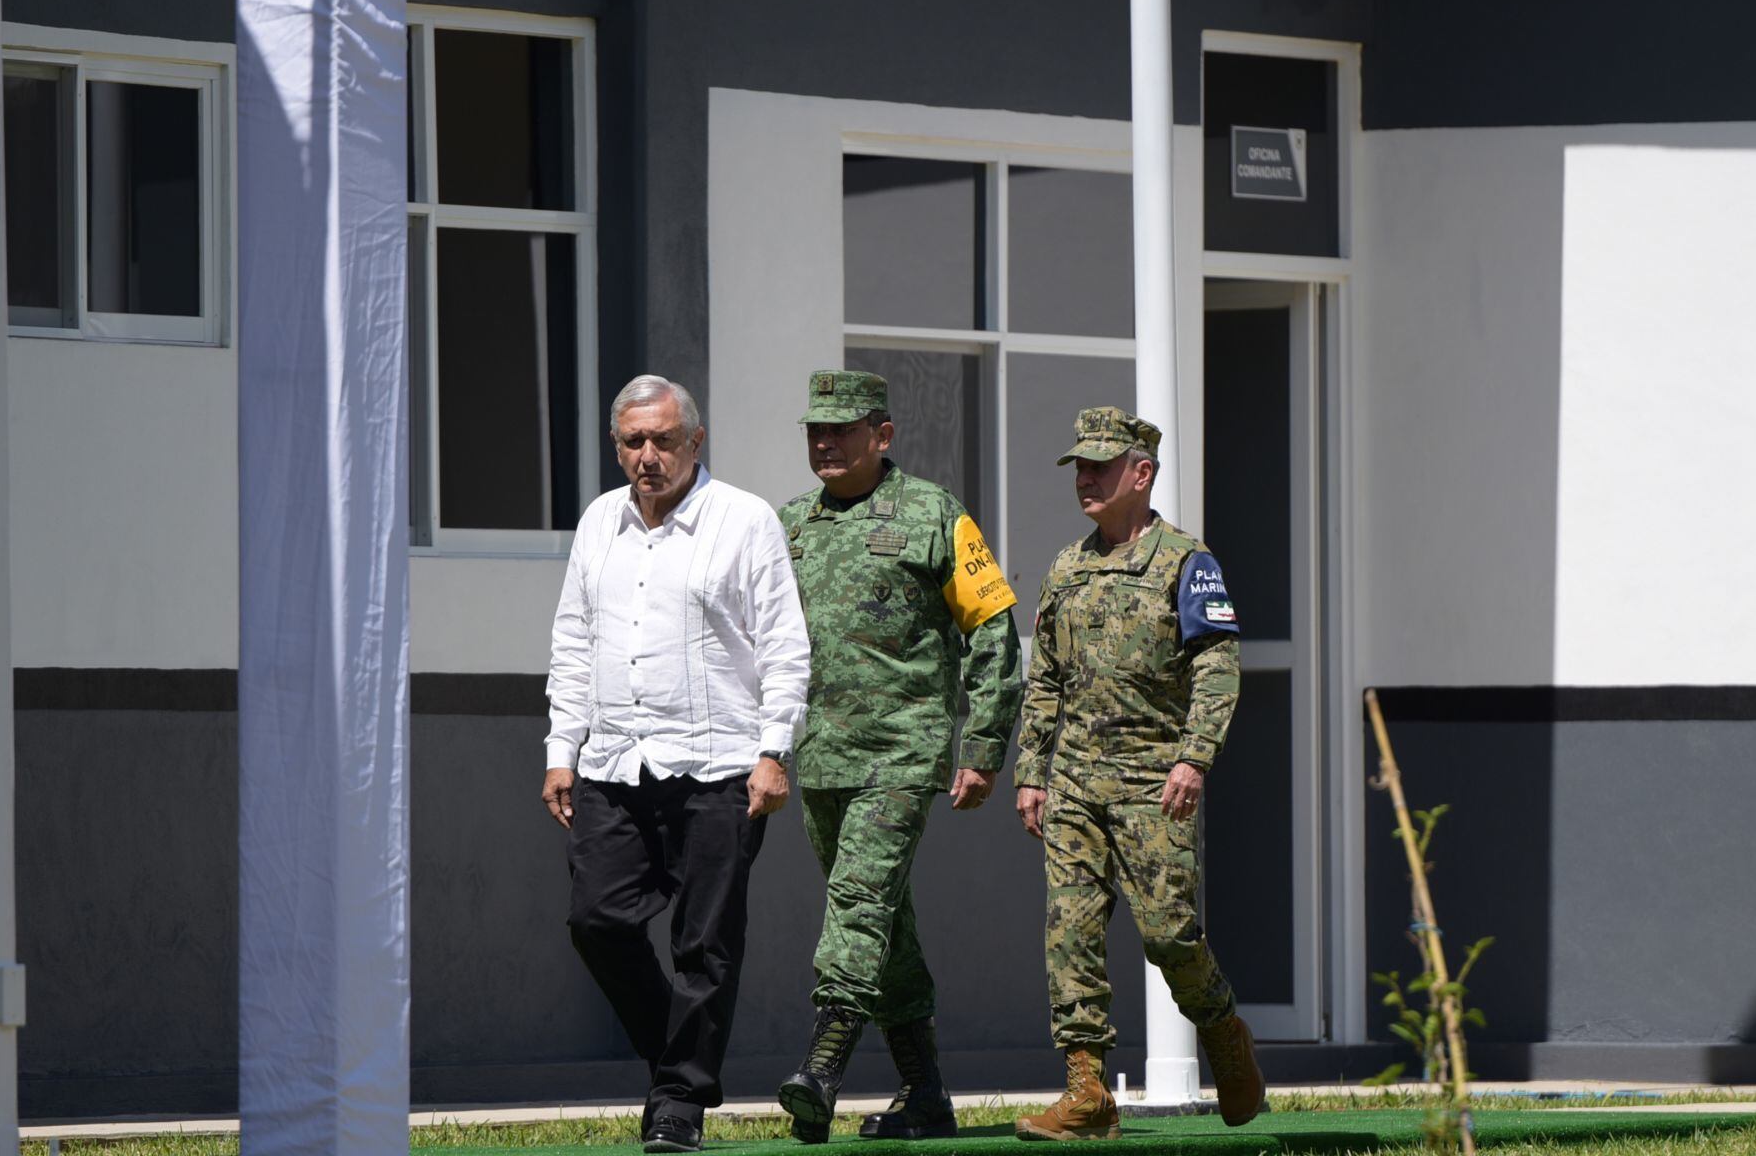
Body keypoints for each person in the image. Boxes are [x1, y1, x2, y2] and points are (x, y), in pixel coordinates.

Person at [542, 374, 811, 1156]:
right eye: (634, 442)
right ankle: (676, 1061)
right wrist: (563, 749)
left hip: (721, 765)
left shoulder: (744, 520)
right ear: (618, 446)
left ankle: (679, 1104)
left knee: (704, 941)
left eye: (664, 440)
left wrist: (773, 750)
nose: (649, 456)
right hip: (616, 763)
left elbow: (785, 646)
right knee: (596, 921)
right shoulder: (600, 522)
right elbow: (573, 641)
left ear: (697, 442)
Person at [773, 370, 1022, 1144]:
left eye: (842, 430)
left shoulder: (934, 514)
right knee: (886, 921)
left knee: (856, 901)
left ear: (882, 435)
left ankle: (823, 1064)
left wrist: (982, 747)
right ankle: (927, 1096)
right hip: (820, 756)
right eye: (816, 430)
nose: (826, 443)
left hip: (903, 753)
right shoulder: (786, 525)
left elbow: (994, 633)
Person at [1010, 406, 1265, 1141]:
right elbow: (1048, 677)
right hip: (1076, 785)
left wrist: (1194, 756)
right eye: (1079, 467)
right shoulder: (1068, 565)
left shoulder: (1187, 562)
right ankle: (1087, 1091)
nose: (1085, 478)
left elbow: (1218, 667)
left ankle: (1221, 1031)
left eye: (1099, 465)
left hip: (1153, 780)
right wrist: (1033, 770)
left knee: (1168, 932)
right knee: (1071, 934)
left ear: (1141, 473)